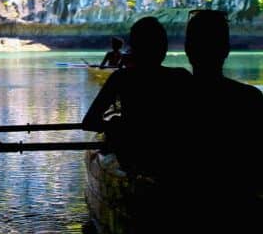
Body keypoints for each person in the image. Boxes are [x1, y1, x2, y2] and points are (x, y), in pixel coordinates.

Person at [184, 9, 263, 189]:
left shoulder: (170, 97)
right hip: (240, 193)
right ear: (226, 50)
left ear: (187, 49)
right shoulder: (250, 98)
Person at [82, 16, 192, 177]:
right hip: (171, 158)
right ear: (164, 48)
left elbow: (89, 122)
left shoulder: (121, 78)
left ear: (134, 48)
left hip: (132, 156)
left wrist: (115, 125)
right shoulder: (181, 76)